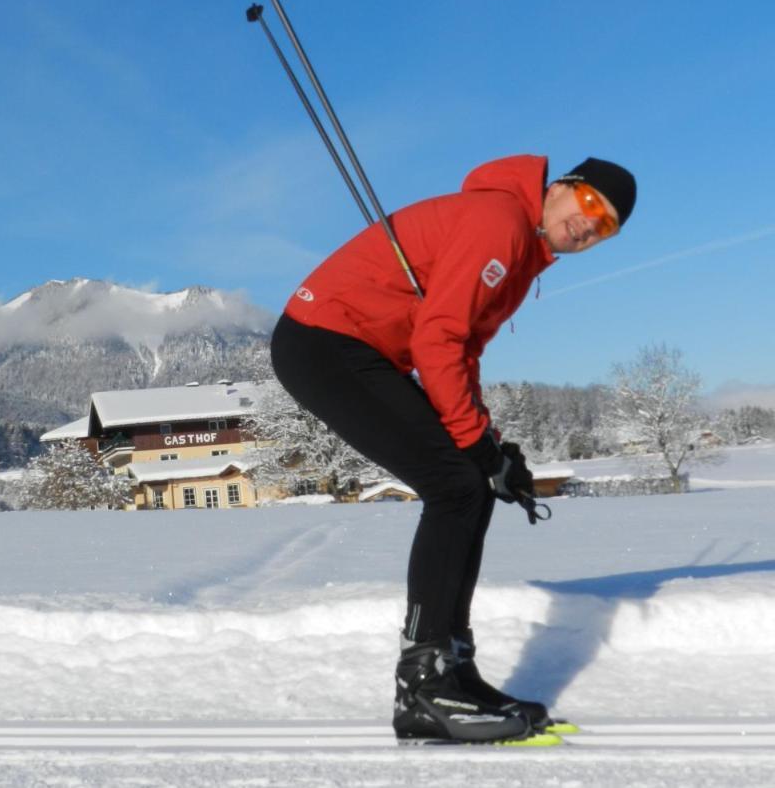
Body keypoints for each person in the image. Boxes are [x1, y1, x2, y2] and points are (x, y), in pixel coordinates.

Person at [269, 154, 636, 743]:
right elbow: (438, 339)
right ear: (562, 188)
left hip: (351, 349)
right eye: (592, 205)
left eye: (608, 227)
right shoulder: (501, 223)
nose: (592, 226)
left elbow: (461, 353)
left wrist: (489, 447)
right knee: (456, 487)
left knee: (471, 487)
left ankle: (452, 670)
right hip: (327, 342)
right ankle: (423, 688)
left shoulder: (520, 251)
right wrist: (477, 451)